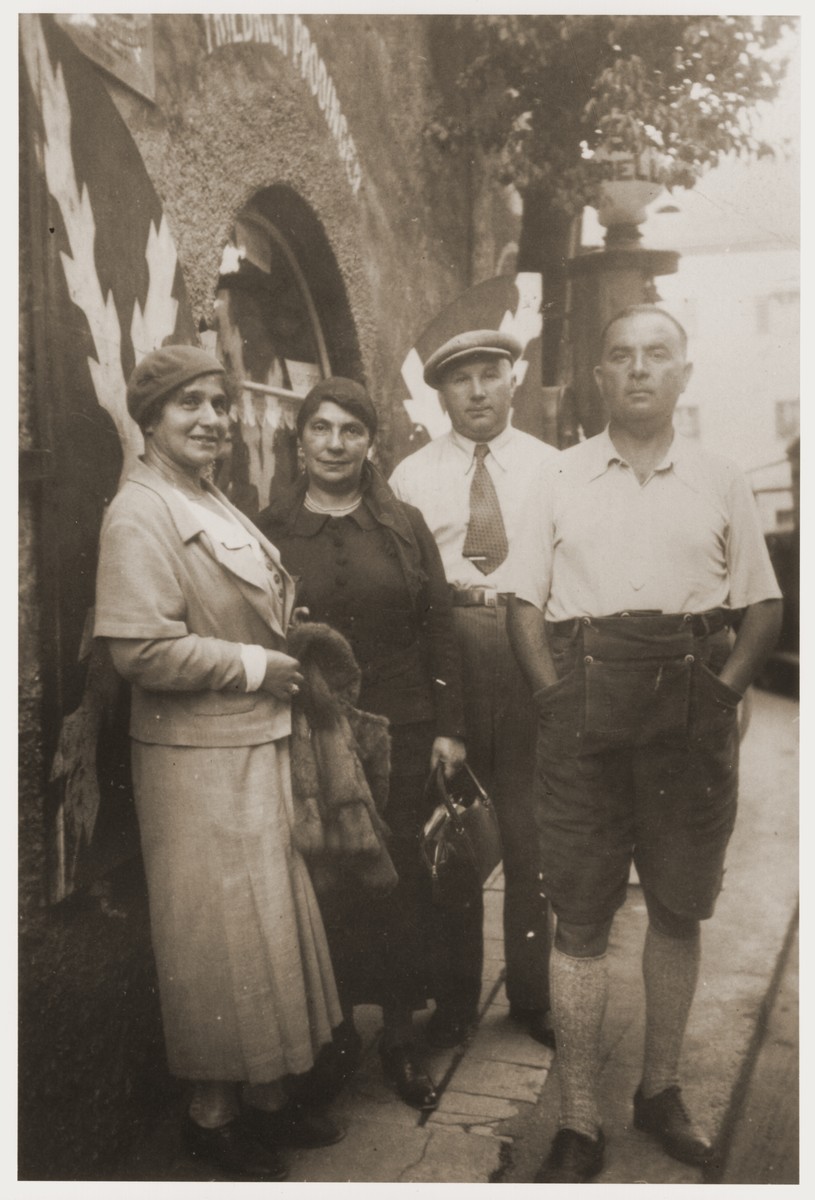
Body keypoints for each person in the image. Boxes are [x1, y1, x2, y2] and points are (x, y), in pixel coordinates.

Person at [506, 305, 783, 1183]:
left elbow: (764, 606)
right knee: (580, 913)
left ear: (682, 374)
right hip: (580, 715)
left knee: (677, 904)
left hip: (686, 719)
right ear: (599, 377)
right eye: (618, 355)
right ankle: (580, 1117)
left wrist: (722, 692)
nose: (636, 370)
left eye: (655, 354)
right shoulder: (556, 475)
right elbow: (520, 602)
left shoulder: (719, 476)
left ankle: (658, 1089)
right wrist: (551, 698)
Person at [94, 346, 346, 1182]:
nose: (211, 419)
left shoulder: (205, 496)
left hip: (248, 739)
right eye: (189, 406)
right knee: (214, 939)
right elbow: (139, 648)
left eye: (219, 403)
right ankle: (211, 1115)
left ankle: (267, 1101)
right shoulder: (140, 510)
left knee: (262, 929)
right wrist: (252, 666)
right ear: (151, 418)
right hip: (195, 756)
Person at [258, 377, 469, 1112]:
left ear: (370, 442)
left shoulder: (403, 524)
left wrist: (449, 728)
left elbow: (439, 627)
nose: (336, 443)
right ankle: (332, 1035)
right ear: (301, 439)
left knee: (401, 880)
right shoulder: (269, 528)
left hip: (404, 728)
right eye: (321, 428)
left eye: (351, 430)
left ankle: (401, 1039)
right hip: (315, 734)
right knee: (326, 883)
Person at [389, 329, 560, 1049]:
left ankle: (531, 996)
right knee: (455, 836)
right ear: (441, 394)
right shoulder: (409, 477)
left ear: (512, 380)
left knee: (530, 834)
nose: (479, 391)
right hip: (450, 653)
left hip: (527, 646)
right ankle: (456, 1002)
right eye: (462, 381)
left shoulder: (557, 468)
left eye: (491, 374)